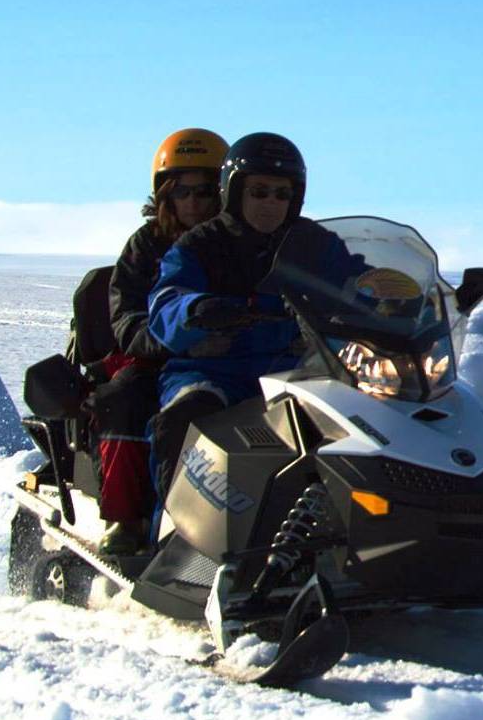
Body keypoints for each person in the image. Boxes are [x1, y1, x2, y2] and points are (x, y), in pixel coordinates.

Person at [146, 133, 355, 500]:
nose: (271, 203)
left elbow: (358, 281)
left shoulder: (317, 244)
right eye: (259, 192)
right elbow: (166, 300)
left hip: (302, 371)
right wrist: (195, 309)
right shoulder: (201, 244)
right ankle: (173, 537)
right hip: (216, 371)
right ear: (234, 191)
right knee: (184, 418)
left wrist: (404, 300)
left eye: (281, 194)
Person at [92, 128, 227, 555]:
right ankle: (127, 520)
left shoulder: (239, 242)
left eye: (204, 191)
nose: (193, 202)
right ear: (165, 194)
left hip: (231, 357)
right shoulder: (146, 246)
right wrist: (167, 341)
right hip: (154, 358)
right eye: (182, 190)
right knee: (126, 399)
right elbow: (126, 316)